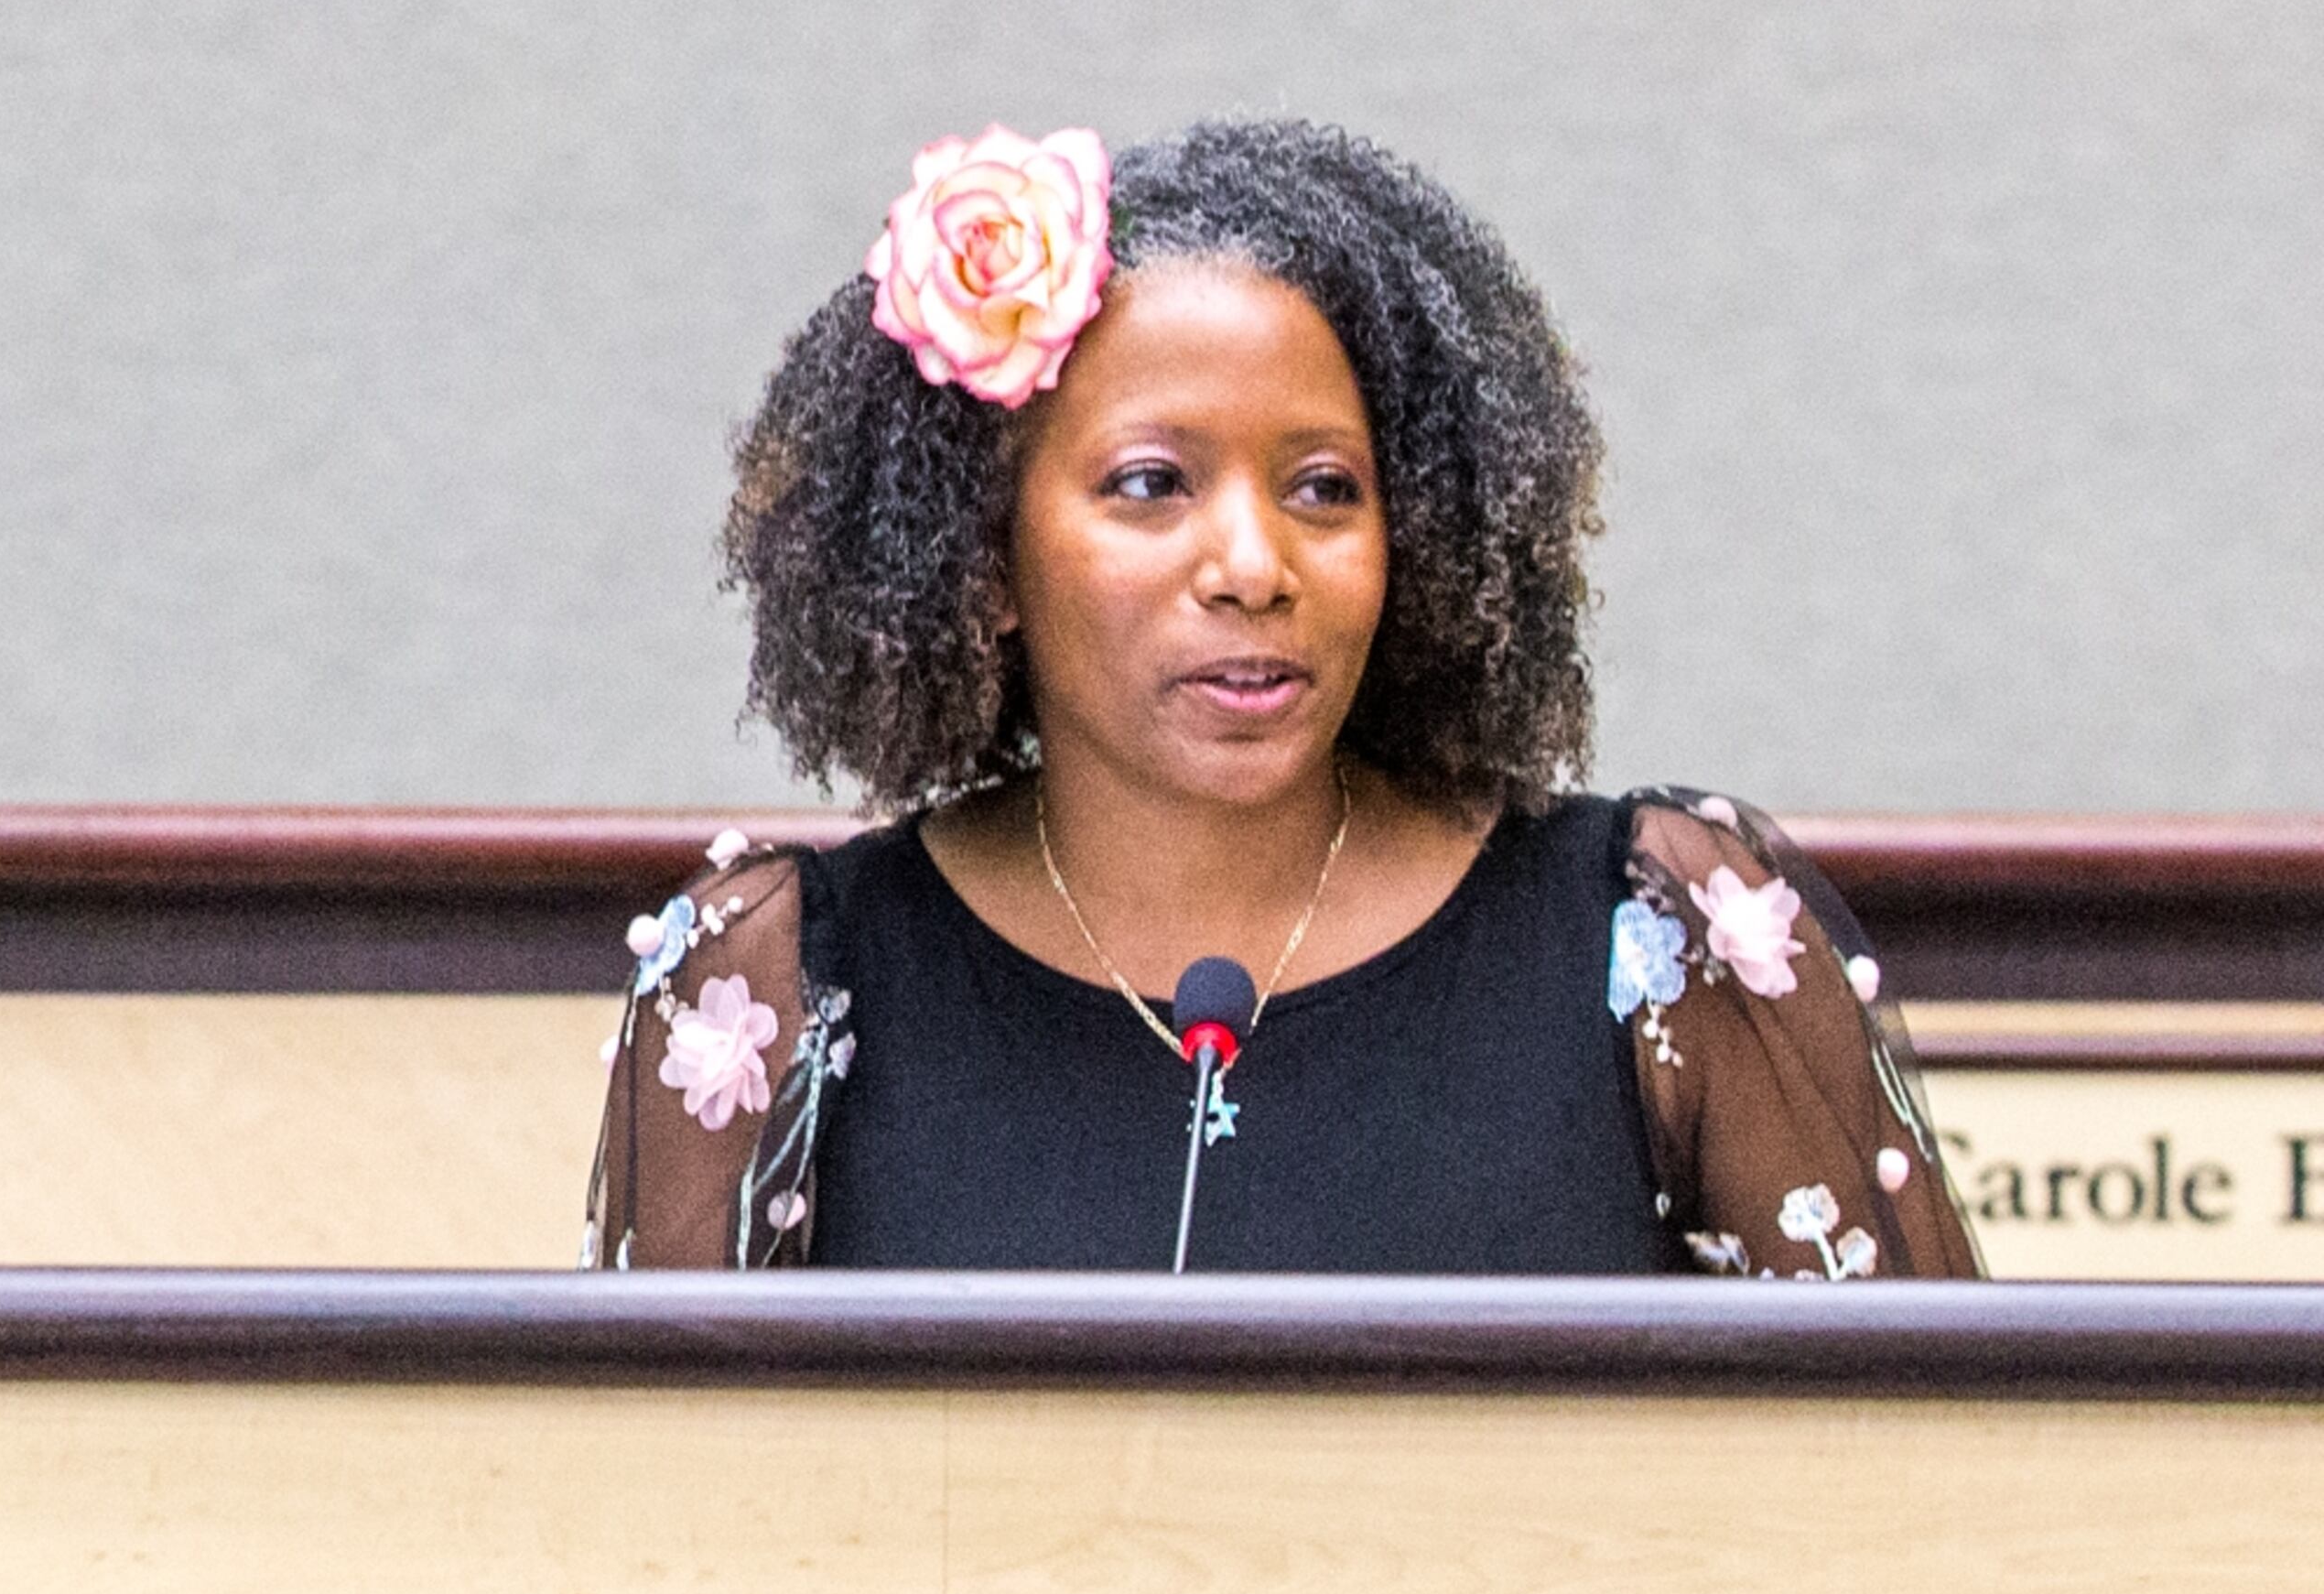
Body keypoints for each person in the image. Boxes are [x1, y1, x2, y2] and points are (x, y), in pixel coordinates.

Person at [588, 118, 1980, 1280]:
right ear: (986, 557)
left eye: (1325, 488)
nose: (1255, 567)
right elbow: (668, 1510)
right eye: (1152, 484)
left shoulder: (1662, 937)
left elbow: (1931, 1477)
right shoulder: (775, 987)